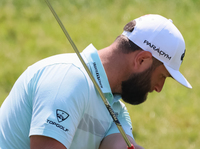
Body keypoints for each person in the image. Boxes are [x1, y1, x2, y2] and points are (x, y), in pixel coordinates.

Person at [0, 14, 192, 149]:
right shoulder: (69, 78)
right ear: (141, 60)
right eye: (162, 77)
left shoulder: (116, 109)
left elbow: (117, 145)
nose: (159, 88)